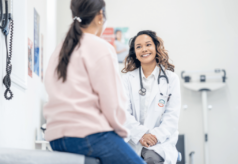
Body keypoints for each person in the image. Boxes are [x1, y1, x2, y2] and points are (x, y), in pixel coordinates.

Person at [43, 0, 145, 164]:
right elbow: (113, 104)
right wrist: (122, 136)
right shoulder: (100, 47)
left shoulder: (60, 50)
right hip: (89, 136)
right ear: (100, 16)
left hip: (56, 139)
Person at [121, 30, 181, 164]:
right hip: (134, 139)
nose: (144, 49)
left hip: (160, 142)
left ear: (156, 48)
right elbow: (123, 113)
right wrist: (141, 135)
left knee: (152, 158)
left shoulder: (171, 79)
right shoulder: (127, 79)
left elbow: (171, 117)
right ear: (135, 53)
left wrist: (154, 137)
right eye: (139, 47)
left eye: (148, 45)